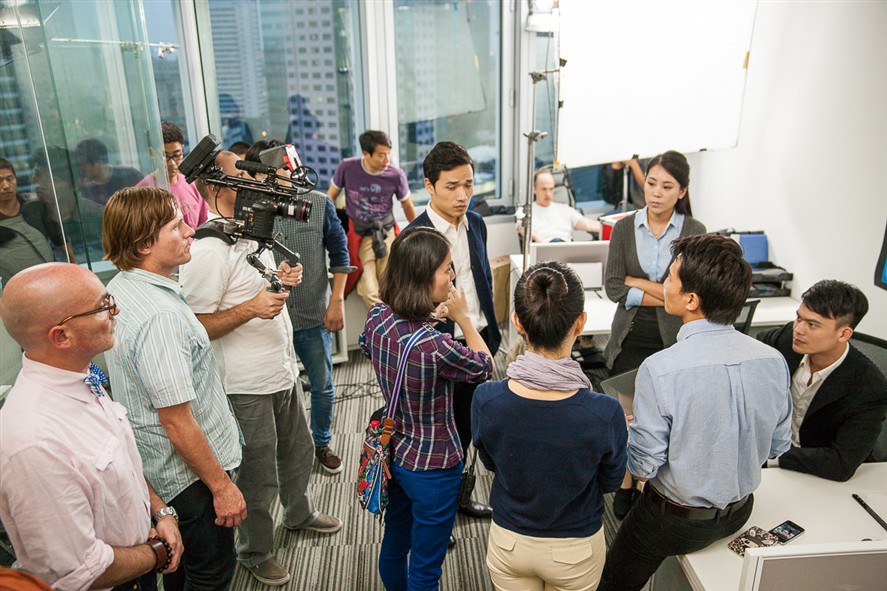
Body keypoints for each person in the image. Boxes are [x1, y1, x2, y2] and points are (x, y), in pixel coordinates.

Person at [180, 150, 342, 586]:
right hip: (244, 384)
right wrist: (251, 308)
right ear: (217, 186)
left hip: (281, 371)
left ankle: (299, 514)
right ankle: (255, 551)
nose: (257, 182)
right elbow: (193, 325)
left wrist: (280, 279)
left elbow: (253, 288)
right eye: (245, 176)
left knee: (297, 453)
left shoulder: (250, 233)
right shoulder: (208, 250)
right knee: (257, 474)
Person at [598, 234, 792, 591]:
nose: (663, 285)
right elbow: (779, 446)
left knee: (612, 581)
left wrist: (627, 432)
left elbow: (643, 467)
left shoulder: (660, 369)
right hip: (740, 511)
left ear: (691, 299)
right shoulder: (773, 360)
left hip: (673, 522)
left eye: (670, 277)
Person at [0, 262, 183, 590]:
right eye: (102, 306)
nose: (115, 310)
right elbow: (80, 571)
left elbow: (119, 466)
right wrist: (157, 552)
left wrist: (159, 511)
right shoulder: (35, 442)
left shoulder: (79, 376)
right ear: (61, 336)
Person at [102, 186, 244, 591]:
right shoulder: (159, 317)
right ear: (143, 244)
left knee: (182, 570)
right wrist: (222, 487)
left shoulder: (124, 288)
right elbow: (176, 421)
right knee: (211, 574)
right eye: (176, 226)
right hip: (190, 481)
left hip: (165, 475)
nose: (190, 231)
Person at [472, 261, 627, 591]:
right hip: (575, 550)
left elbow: (491, 461)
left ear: (517, 321)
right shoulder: (604, 412)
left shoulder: (486, 399)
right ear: (580, 322)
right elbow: (611, 480)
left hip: (509, 542)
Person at [360, 226, 493, 591]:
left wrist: (429, 320)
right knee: (425, 570)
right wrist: (463, 319)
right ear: (422, 277)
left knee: (394, 545)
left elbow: (369, 345)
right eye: (447, 268)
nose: (452, 276)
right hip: (435, 465)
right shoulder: (436, 347)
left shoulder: (377, 316)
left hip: (396, 454)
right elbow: (485, 365)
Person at [602, 150, 706, 517]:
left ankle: (645, 484)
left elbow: (695, 293)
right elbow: (614, 287)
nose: (656, 193)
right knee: (628, 419)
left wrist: (640, 283)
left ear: (682, 191)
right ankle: (626, 482)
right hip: (629, 337)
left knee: (663, 420)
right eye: (651, 183)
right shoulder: (624, 228)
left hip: (674, 340)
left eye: (667, 186)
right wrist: (667, 294)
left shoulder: (694, 231)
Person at [243, 140, 354, 475]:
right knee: (277, 389)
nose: (284, 173)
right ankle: (286, 452)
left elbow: (340, 254)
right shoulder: (248, 209)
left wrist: (336, 302)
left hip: (311, 312)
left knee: (322, 385)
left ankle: (321, 443)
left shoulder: (318, 203)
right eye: (273, 169)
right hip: (267, 319)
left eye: (286, 166)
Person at [407, 141, 502, 520]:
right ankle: (437, 514)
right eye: (452, 186)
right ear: (429, 186)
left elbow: (483, 280)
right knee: (439, 438)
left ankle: (459, 500)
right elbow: (405, 305)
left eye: (468, 185)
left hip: (479, 338)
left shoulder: (476, 223)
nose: (463, 195)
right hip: (440, 349)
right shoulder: (414, 237)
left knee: (470, 428)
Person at [757, 280, 887, 481]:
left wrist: (770, 454)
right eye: (799, 318)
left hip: (818, 475)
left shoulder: (869, 387)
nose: (799, 329)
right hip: (773, 468)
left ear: (843, 334)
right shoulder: (787, 339)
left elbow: (840, 464)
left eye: (812, 325)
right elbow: (755, 347)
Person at [328, 130, 416, 307]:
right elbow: (331, 196)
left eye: (388, 154)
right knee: (368, 289)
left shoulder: (395, 175)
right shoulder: (347, 168)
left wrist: (417, 231)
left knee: (391, 286)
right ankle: (383, 322)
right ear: (366, 153)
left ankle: (394, 322)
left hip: (386, 231)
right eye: (381, 155)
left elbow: (407, 206)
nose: (386, 159)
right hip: (360, 234)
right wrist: (332, 227)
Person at [137, 121, 209, 230]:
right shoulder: (143, 192)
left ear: (183, 149)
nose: (172, 163)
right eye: (165, 156)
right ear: (152, 153)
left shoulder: (192, 183)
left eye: (177, 155)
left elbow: (204, 223)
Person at [0, 158, 56, 283]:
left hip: (49, 277)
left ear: (16, 179)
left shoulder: (34, 205)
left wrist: (74, 264)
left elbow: (58, 237)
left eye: (10, 179)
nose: (6, 186)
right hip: (11, 284)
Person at [517, 170, 601, 243]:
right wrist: (537, 239)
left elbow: (588, 224)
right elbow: (522, 228)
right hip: (543, 249)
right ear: (534, 189)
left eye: (551, 189)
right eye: (544, 189)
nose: (548, 194)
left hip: (565, 249)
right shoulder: (525, 210)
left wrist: (607, 225)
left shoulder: (565, 209)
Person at [74, 138, 142, 205]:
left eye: (81, 165)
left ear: (97, 163)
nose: (79, 169)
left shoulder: (130, 176)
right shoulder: (82, 188)